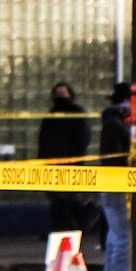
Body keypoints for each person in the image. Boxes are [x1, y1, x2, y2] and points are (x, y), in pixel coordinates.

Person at [95, 83, 134, 271]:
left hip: (112, 184)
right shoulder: (116, 125)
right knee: (123, 237)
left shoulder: (114, 122)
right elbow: (117, 158)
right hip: (117, 185)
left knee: (115, 236)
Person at [38, 82, 94, 233]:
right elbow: (43, 140)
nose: (60, 97)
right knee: (57, 199)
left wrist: (76, 160)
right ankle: (61, 228)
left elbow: (83, 138)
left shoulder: (77, 113)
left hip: (71, 164)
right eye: (58, 94)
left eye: (63, 94)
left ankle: (83, 219)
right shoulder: (51, 115)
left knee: (68, 197)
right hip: (51, 166)